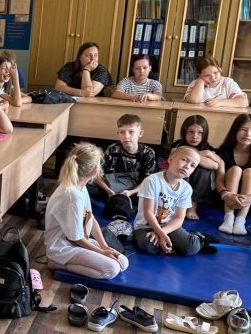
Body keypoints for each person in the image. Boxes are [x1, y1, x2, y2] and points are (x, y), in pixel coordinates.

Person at [44, 142, 129, 279]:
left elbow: (90, 218)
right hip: (63, 248)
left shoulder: (81, 187)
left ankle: (66, 261)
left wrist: (104, 246)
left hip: (77, 242)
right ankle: (57, 263)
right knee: (112, 269)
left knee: (123, 262)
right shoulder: (72, 196)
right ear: (95, 171)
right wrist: (101, 253)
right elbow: (76, 238)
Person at [133, 146, 203, 256]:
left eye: (192, 165)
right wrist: (160, 233)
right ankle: (168, 245)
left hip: (169, 227)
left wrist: (162, 233)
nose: (187, 166)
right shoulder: (152, 180)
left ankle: (198, 236)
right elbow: (148, 213)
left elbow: (179, 218)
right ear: (170, 159)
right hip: (146, 226)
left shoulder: (186, 188)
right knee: (148, 246)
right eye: (184, 160)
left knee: (192, 247)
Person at [92, 114, 157, 200]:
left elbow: (149, 181)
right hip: (110, 191)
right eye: (122, 132)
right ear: (118, 134)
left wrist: (131, 192)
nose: (126, 136)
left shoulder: (148, 153)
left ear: (140, 133)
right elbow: (97, 173)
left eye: (131, 132)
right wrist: (107, 190)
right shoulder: (112, 150)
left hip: (136, 192)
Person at [172, 115, 221, 220]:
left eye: (200, 133)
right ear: (184, 132)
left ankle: (192, 205)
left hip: (200, 186)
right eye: (190, 132)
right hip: (177, 183)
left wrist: (204, 153)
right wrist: (204, 155)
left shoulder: (207, 148)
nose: (195, 136)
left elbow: (215, 165)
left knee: (201, 170)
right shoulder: (177, 145)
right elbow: (175, 155)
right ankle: (180, 204)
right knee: (184, 167)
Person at [215, 114, 251, 235]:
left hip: (248, 202)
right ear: (235, 130)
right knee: (235, 169)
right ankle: (228, 218)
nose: (248, 134)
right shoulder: (223, 152)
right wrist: (226, 194)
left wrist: (249, 198)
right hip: (226, 198)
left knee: (249, 172)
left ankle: (240, 221)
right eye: (243, 129)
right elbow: (219, 178)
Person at [183, 57, 249, 107]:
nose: (213, 78)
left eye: (215, 73)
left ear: (220, 69)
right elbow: (193, 100)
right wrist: (200, 81)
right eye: (207, 75)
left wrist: (220, 102)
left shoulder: (228, 83)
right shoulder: (195, 83)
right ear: (199, 75)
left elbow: (244, 102)